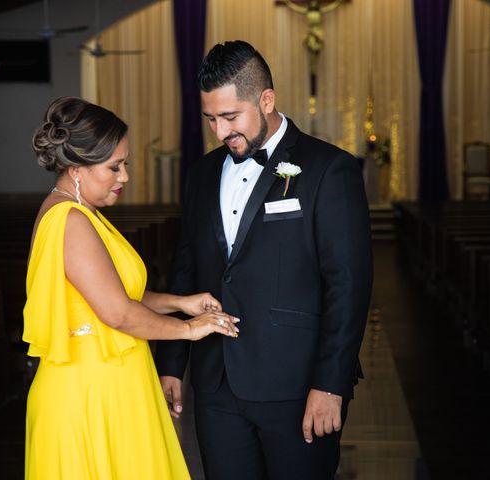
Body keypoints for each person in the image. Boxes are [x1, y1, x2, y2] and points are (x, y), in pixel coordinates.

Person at [155, 40, 372, 480]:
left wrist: (330, 383)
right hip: (215, 384)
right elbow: (186, 269)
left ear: (266, 99)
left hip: (297, 384)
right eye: (211, 119)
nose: (219, 131)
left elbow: (348, 286)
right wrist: (172, 362)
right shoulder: (201, 174)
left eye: (230, 117)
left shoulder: (330, 169)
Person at [23, 96, 239, 480]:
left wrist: (182, 303)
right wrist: (189, 330)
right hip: (89, 397)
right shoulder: (69, 221)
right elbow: (117, 312)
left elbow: (120, 294)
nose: (125, 176)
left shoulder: (81, 213)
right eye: (114, 167)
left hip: (111, 386)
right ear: (76, 169)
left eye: (126, 164)